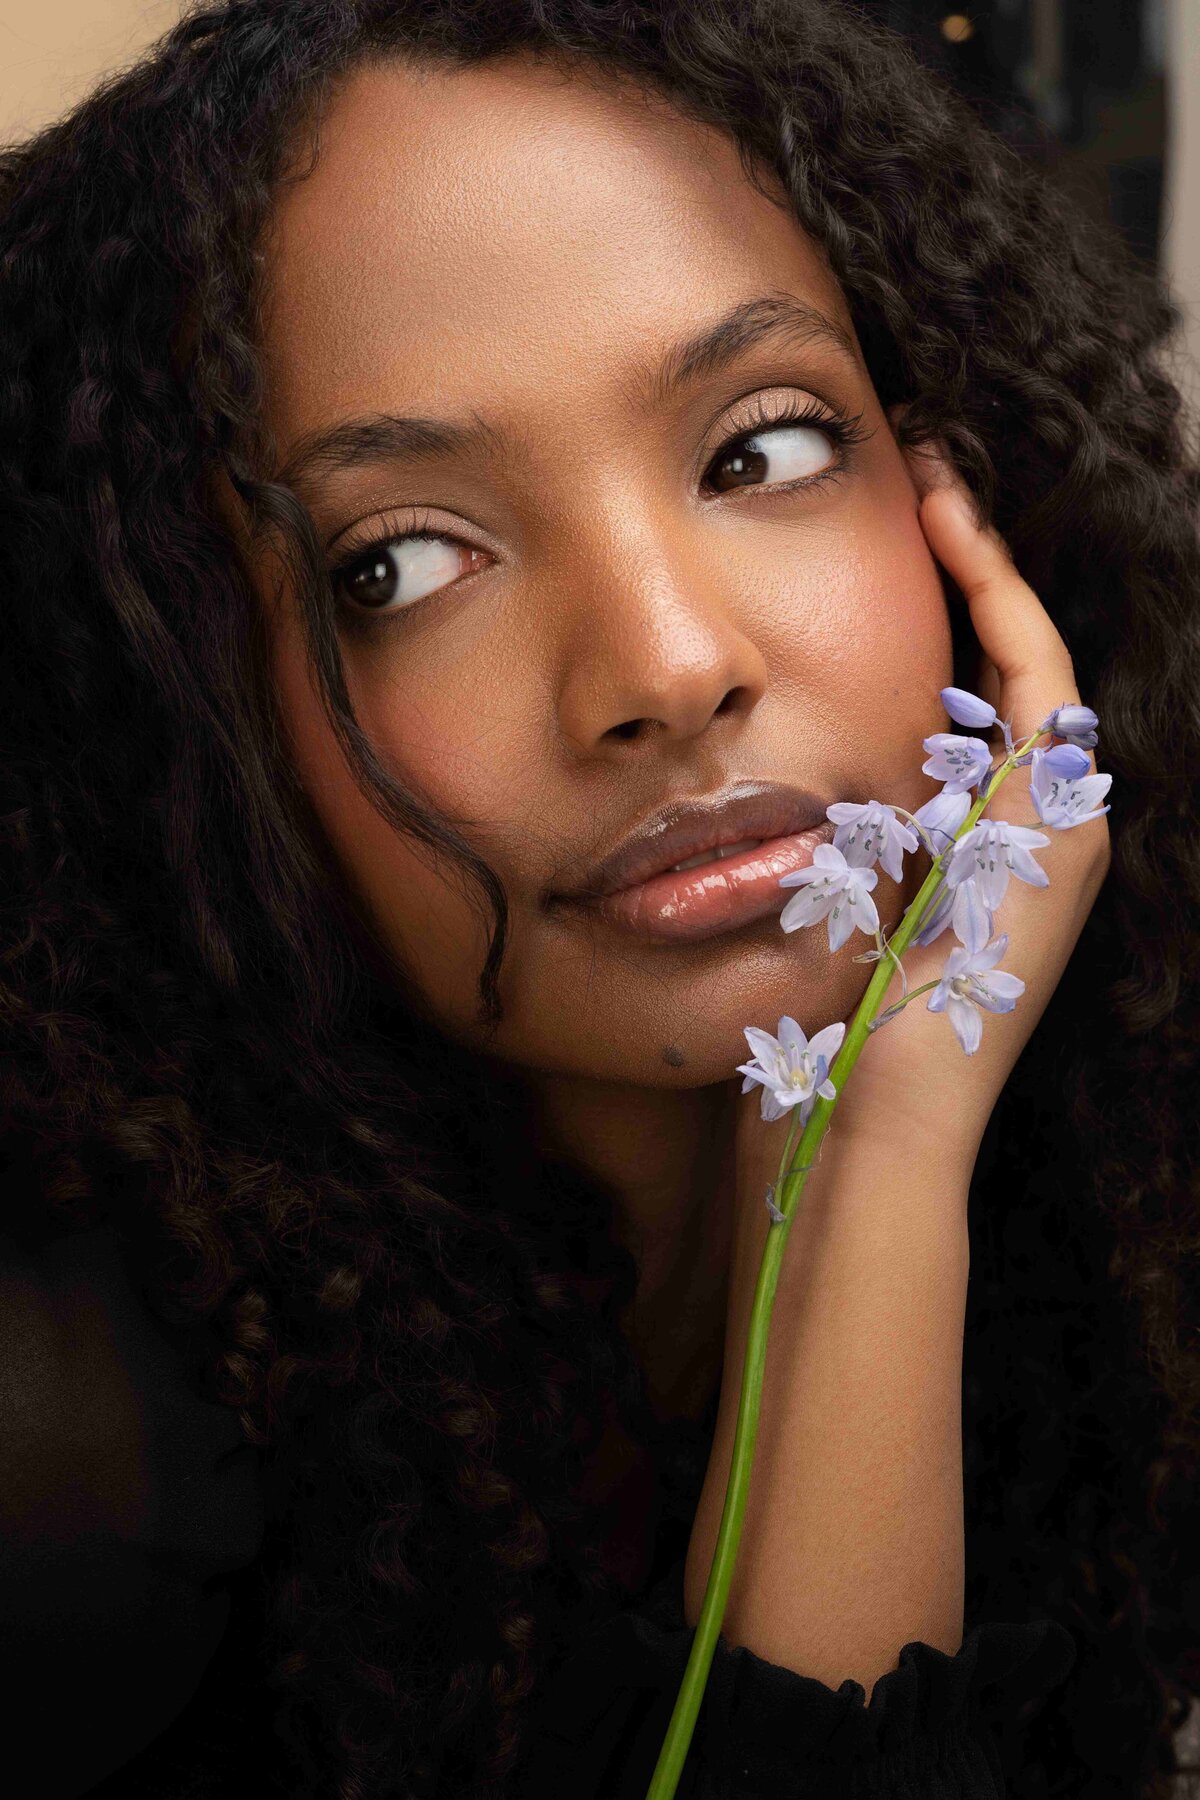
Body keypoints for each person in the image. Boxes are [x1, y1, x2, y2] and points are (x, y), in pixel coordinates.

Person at [1, 0, 1197, 1795]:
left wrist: (876, 1150)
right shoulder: (72, 1491)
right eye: (401, 561)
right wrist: (866, 1167)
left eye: (762, 451)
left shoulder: (1119, 1223)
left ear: (971, 493)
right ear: (179, 711)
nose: (663, 663)